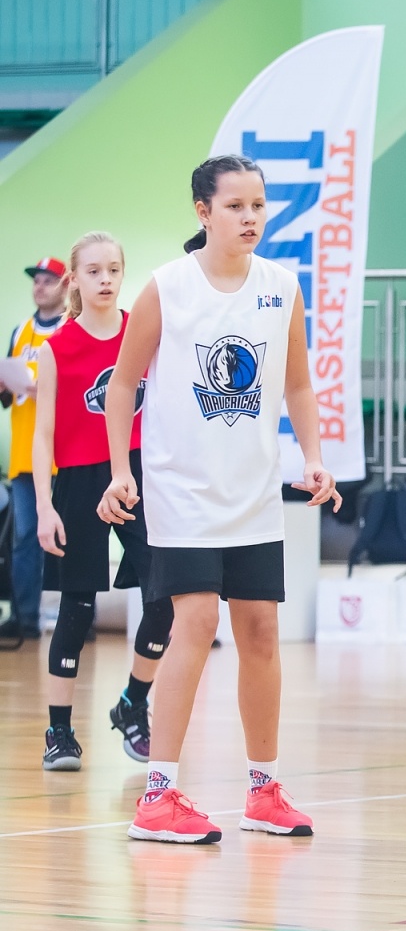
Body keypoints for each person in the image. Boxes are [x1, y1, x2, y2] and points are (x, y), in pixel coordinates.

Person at [97, 155, 341, 844]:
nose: (251, 217)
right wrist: (122, 471)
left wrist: (314, 458)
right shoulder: (167, 288)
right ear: (203, 212)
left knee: (260, 632)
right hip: (180, 489)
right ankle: (159, 795)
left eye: (259, 205)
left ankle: (263, 789)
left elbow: (297, 385)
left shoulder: (281, 286)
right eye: (236, 206)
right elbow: (123, 385)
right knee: (195, 622)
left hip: (254, 493)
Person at [33, 232, 172, 771]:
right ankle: (59, 732)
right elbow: (42, 435)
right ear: (75, 279)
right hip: (78, 483)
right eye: (93, 271)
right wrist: (45, 506)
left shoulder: (144, 331)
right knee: (77, 607)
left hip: (138, 474)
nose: (106, 279)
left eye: (114, 269)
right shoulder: (56, 349)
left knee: (165, 595)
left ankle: (133, 704)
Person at [1, 256, 68, 639]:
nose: (40, 286)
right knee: (25, 538)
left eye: (48, 280)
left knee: (72, 537)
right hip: (27, 455)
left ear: (64, 286)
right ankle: (25, 617)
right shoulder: (20, 331)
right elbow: (9, 400)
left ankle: (77, 618)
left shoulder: (72, 329)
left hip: (67, 455)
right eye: (37, 280)